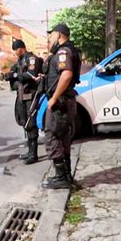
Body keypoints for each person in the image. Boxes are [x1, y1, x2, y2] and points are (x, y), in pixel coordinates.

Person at [42, 24, 81, 189]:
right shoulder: (71, 50)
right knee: (63, 138)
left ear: (59, 35)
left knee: (51, 135)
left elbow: (66, 74)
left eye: (51, 35)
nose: (49, 38)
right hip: (68, 101)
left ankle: (61, 177)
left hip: (61, 102)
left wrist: (54, 98)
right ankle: (66, 176)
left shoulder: (63, 51)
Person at [5, 40, 43, 165]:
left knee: (31, 124)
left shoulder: (32, 59)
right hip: (21, 96)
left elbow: (31, 75)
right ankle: (29, 151)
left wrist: (15, 75)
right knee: (24, 123)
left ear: (20, 48)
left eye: (16, 50)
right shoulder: (20, 61)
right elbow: (11, 73)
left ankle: (34, 154)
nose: (15, 53)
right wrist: (11, 75)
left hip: (31, 95)